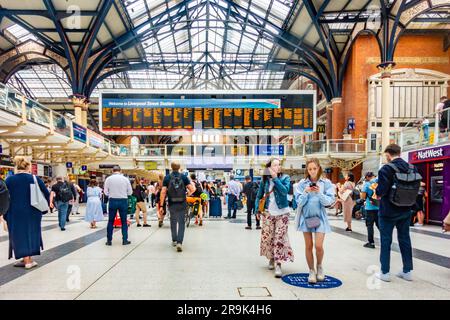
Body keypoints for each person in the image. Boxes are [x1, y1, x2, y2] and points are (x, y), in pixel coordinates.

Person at [375, 144, 417, 282]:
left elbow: (381, 191)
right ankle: (407, 271)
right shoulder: (412, 168)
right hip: (406, 209)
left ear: (388, 154)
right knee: (405, 239)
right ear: (399, 153)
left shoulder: (386, 169)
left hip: (388, 211)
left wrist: (377, 191)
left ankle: (385, 273)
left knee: (386, 240)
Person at [294, 158, 335, 284]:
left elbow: (329, 202)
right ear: (307, 169)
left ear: (319, 168)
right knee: (308, 246)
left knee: (318, 246)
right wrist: (306, 192)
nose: (312, 171)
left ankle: (320, 266)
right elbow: (298, 203)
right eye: (310, 169)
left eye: (314, 169)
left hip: (320, 217)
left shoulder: (326, 183)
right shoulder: (302, 183)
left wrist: (319, 193)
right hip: (306, 217)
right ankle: (311, 270)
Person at [5, 156, 49, 269]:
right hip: (33, 211)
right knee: (32, 232)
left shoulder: (9, 180)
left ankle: (26, 260)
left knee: (18, 234)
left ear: (16, 166)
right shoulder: (34, 178)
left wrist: (4, 214)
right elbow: (46, 193)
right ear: (28, 166)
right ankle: (28, 260)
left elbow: (4, 196)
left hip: (15, 212)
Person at [255, 158, 293, 278]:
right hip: (268, 213)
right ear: (269, 168)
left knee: (279, 238)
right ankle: (271, 258)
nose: (277, 167)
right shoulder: (265, 180)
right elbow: (259, 195)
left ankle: (278, 263)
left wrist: (276, 178)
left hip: (283, 213)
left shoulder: (285, 178)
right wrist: (257, 209)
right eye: (274, 165)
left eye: (278, 165)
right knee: (269, 237)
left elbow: (284, 191)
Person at [159, 162, 195, 252]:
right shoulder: (183, 177)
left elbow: (163, 192)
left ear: (171, 167)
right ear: (179, 168)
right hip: (182, 203)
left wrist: (161, 205)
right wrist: (187, 195)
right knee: (181, 223)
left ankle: (174, 240)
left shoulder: (167, 178)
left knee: (173, 221)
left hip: (172, 203)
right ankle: (179, 242)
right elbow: (193, 189)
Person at [104, 166, 133, 246]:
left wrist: (112, 194)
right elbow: (130, 192)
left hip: (112, 201)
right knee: (124, 222)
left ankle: (109, 241)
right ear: (120, 170)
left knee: (110, 221)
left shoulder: (108, 179)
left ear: (112, 171)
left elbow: (105, 192)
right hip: (123, 201)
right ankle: (125, 240)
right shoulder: (125, 179)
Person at [360, 172, 379, 248]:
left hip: (370, 207)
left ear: (367, 177)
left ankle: (371, 243)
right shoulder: (379, 183)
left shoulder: (367, 184)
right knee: (380, 225)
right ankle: (386, 241)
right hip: (379, 207)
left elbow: (363, 197)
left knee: (370, 225)